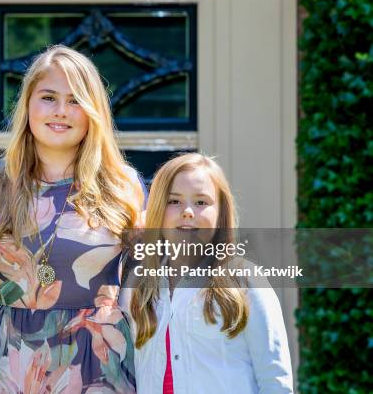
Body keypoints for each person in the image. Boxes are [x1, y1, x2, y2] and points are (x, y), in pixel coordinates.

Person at [0, 45, 145, 392]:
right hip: (7, 368)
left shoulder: (125, 187)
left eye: (75, 100)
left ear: (93, 112)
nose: (61, 111)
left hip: (100, 369)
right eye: (48, 97)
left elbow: (150, 291)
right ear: (28, 104)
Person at [122, 153, 293, 393]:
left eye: (201, 202)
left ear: (221, 214)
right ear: (157, 211)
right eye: (174, 201)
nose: (188, 212)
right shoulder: (136, 286)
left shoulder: (246, 281)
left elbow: (275, 380)